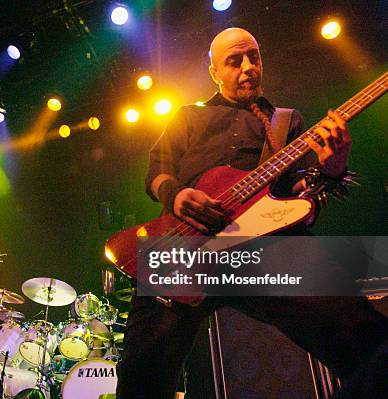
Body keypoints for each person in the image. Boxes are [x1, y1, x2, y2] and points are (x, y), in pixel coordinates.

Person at [115, 28, 388, 398]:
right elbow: (157, 173)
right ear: (214, 71)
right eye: (235, 60)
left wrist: (332, 170)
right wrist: (178, 197)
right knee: (141, 373)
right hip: (184, 246)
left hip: (264, 247)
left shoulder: (286, 122)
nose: (248, 67)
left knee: (364, 335)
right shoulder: (187, 117)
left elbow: (301, 199)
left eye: (254, 57)